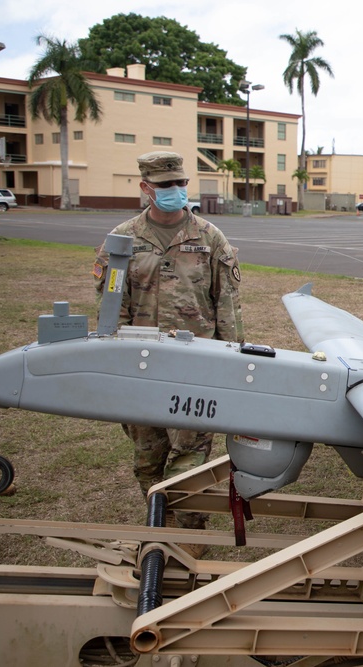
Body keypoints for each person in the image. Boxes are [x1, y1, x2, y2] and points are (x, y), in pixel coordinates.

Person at [94, 151, 243, 549]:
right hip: (140, 367)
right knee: (148, 459)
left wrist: (233, 362)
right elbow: (111, 309)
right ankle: (160, 525)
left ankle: (190, 536)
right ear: (146, 189)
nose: (176, 191)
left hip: (196, 367)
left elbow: (226, 305)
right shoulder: (121, 240)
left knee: (190, 458)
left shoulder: (210, 238)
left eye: (180, 184)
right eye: (165, 186)